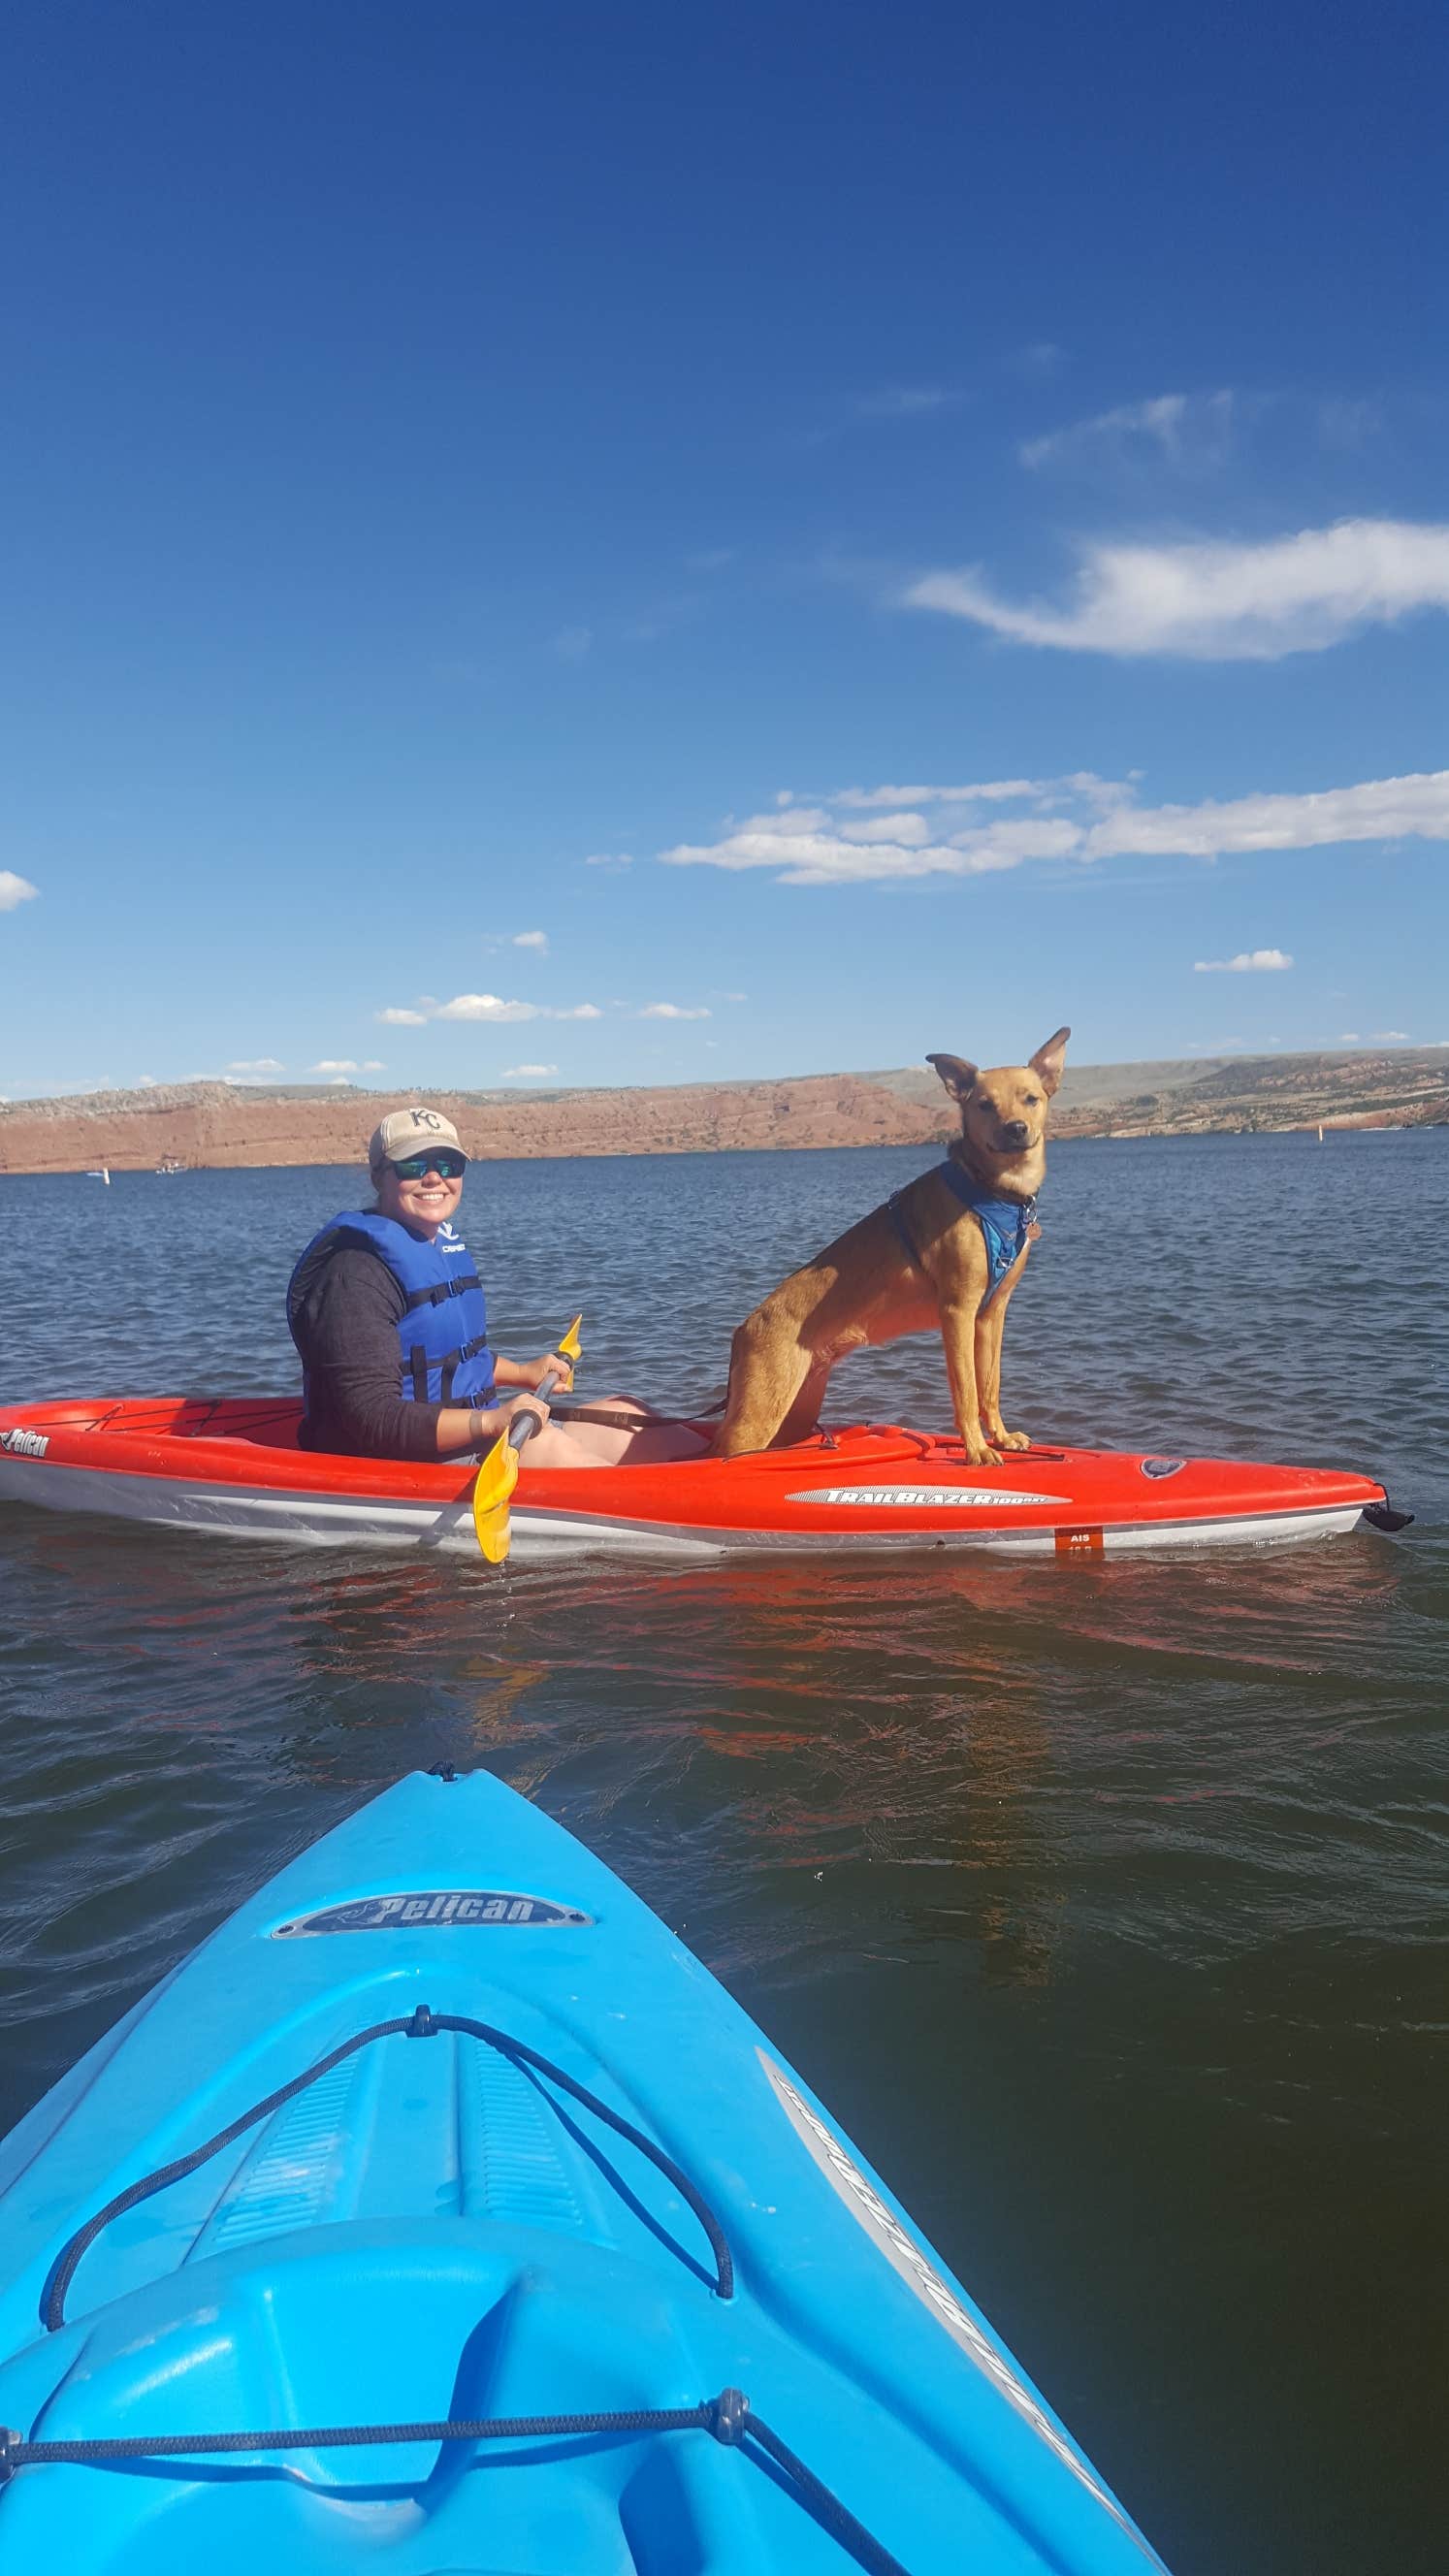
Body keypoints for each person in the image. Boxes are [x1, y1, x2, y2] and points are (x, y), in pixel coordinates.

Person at [286, 1107, 707, 1467]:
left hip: (476, 1426)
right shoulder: (354, 1274)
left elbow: (449, 1360)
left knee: (626, 1414)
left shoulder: (438, 1248)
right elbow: (371, 1418)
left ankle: (734, 1473)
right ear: (379, 1176)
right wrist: (490, 1422)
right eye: (414, 1166)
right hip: (405, 1453)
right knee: (555, 1451)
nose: (435, 1178)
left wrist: (524, 1374)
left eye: (449, 1165)